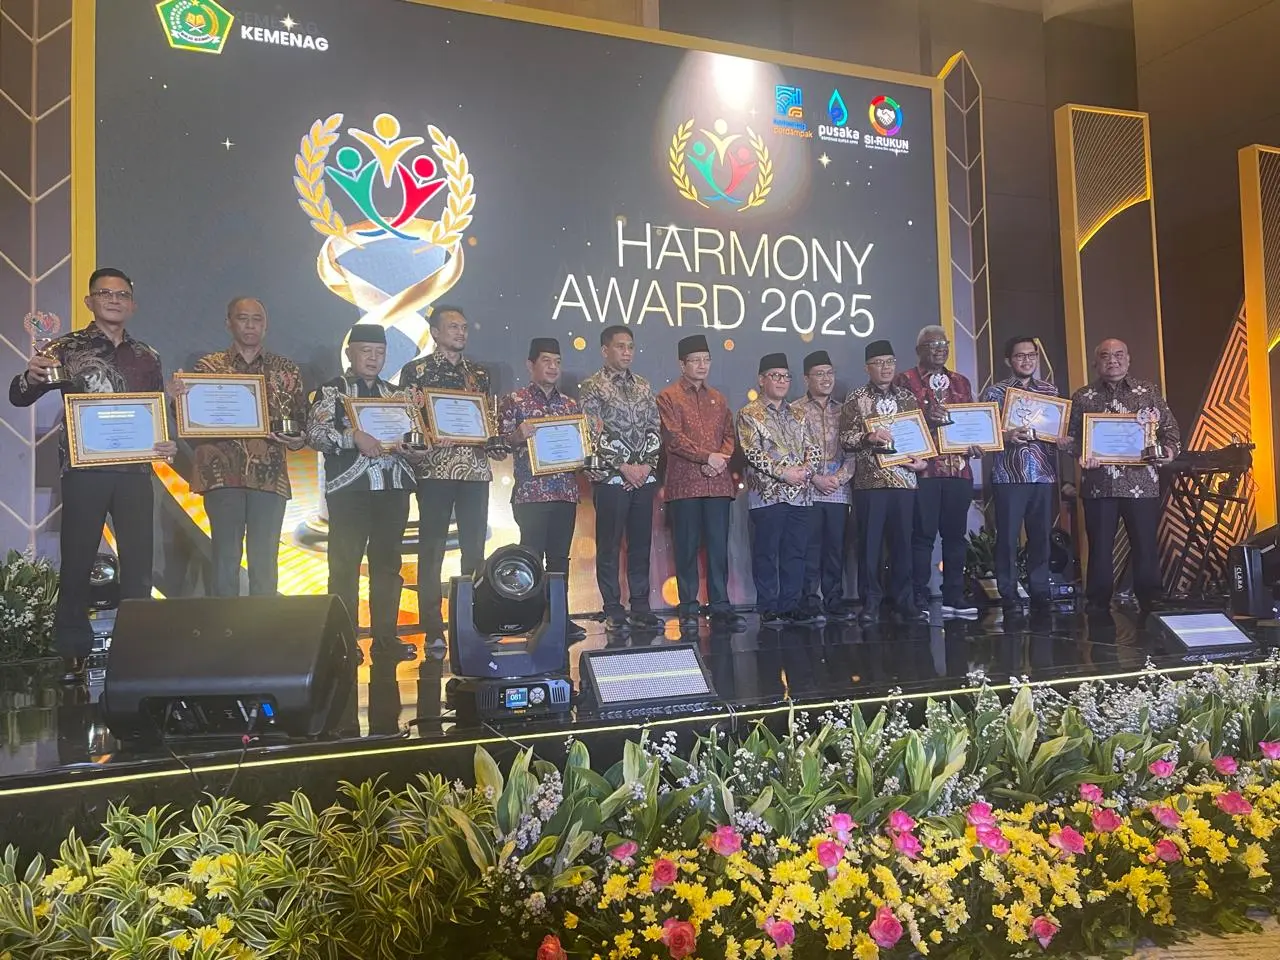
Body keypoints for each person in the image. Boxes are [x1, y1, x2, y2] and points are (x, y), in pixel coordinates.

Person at [8, 267, 177, 677]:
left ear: (132, 304)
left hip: (135, 470)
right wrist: (29, 377)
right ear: (90, 301)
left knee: (138, 563)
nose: (114, 300)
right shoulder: (64, 348)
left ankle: (137, 648)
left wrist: (165, 441)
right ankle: (73, 650)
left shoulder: (148, 355)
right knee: (78, 559)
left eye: (122, 294)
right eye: (105, 293)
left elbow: (153, 411)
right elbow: (19, 396)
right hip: (85, 469)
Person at [307, 324, 422, 663]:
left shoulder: (396, 394)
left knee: (387, 565)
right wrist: (352, 436)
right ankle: (345, 641)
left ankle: (385, 638)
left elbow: (415, 437)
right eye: (366, 351)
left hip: (392, 488)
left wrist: (415, 449)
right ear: (350, 353)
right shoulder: (332, 390)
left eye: (380, 352)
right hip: (350, 491)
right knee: (345, 565)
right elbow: (315, 434)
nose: (373, 358)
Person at [177, 297, 306, 597]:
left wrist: (298, 439)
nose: (250, 325)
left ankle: (263, 625)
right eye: (242, 318)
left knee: (265, 561)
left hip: (269, 477)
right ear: (229, 323)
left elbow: (302, 421)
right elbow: (190, 420)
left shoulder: (286, 370)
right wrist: (177, 401)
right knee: (225, 560)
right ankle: (227, 624)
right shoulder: (207, 368)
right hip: (221, 475)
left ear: (266, 326)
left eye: (256, 319)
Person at [397, 306, 501, 644]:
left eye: (464, 327)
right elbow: (409, 418)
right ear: (435, 332)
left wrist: (490, 436)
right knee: (432, 549)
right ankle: (432, 628)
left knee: (475, 551)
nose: (461, 332)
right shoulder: (417, 371)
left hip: (475, 470)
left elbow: (487, 420)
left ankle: (473, 622)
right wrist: (428, 434)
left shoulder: (479, 374)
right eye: (453, 327)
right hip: (435, 469)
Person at [1067, 338, 1179, 614]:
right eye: (1105, 356)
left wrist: (1167, 452)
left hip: (1141, 482)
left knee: (1145, 545)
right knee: (1099, 546)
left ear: (1128, 359)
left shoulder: (1148, 392)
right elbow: (1072, 438)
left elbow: (1171, 431)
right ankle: (1097, 602)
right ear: (1096, 363)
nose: (1112, 360)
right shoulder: (1083, 397)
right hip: (1099, 483)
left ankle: (1151, 600)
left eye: (1118, 355)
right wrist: (1080, 453)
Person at [497, 337, 586, 640]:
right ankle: (531, 619)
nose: (553, 367)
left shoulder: (570, 405)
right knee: (532, 559)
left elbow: (580, 452)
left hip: (565, 493)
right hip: (531, 495)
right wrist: (515, 436)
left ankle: (560, 618)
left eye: (557, 362)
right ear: (530, 365)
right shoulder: (515, 401)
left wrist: (588, 441)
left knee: (559, 560)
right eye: (546, 361)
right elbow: (498, 447)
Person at [656, 334, 745, 633]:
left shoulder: (718, 398)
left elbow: (729, 436)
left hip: (718, 485)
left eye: (706, 360)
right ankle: (688, 608)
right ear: (682, 364)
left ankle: (721, 606)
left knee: (718, 548)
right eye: (695, 360)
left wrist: (720, 459)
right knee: (686, 548)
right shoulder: (668, 397)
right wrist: (708, 457)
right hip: (685, 485)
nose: (702, 365)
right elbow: (673, 438)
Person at [580, 325, 663, 633]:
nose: (627, 352)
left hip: (643, 478)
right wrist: (624, 467)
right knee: (610, 545)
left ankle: (640, 605)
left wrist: (645, 466)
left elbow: (654, 427)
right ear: (605, 350)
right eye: (620, 346)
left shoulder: (643, 385)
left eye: (630, 346)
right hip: (612, 480)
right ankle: (613, 608)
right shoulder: (592, 386)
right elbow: (592, 431)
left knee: (640, 543)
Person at [840, 339, 930, 625]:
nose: (886, 368)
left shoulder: (907, 397)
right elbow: (845, 438)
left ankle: (905, 601)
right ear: (867, 368)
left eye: (890, 362)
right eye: (879, 363)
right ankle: (870, 603)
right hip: (871, 483)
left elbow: (919, 436)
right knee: (870, 546)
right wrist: (869, 436)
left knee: (903, 544)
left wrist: (923, 461)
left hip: (904, 481)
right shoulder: (856, 398)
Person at [895, 325, 980, 616]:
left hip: (959, 471)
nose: (940, 349)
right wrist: (926, 419)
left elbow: (972, 421)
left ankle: (954, 595)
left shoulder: (961, 381)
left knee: (956, 537)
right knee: (922, 536)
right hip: (924, 471)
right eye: (933, 345)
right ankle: (918, 596)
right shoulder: (904, 381)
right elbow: (899, 424)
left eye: (944, 344)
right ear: (919, 350)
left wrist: (978, 443)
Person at [737, 353, 822, 627]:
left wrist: (807, 470)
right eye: (775, 376)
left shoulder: (799, 413)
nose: (782, 381)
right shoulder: (749, 414)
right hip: (768, 496)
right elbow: (752, 452)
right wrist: (785, 473)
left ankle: (790, 605)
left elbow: (813, 448)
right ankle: (768, 607)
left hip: (800, 495)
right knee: (767, 552)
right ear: (761, 380)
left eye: (786, 376)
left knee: (795, 552)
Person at [979, 336, 1061, 612]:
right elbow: (984, 433)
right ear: (1008, 360)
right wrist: (1006, 435)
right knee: (1007, 538)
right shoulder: (995, 393)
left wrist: (1062, 437)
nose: (1027, 360)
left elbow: (1057, 430)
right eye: (1020, 356)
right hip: (1008, 476)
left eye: (1031, 355)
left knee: (1040, 537)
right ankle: (1008, 592)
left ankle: (1040, 589)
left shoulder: (1050, 392)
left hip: (1043, 474)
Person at [792, 350, 856, 622]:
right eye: (819, 374)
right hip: (807, 489)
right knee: (810, 547)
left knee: (835, 548)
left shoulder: (845, 410)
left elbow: (853, 452)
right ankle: (809, 600)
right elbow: (791, 454)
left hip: (838, 490)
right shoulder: (794, 410)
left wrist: (838, 479)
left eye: (830, 373)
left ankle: (834, 599)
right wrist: (815, 478)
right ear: (806, 378)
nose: (826, 379)